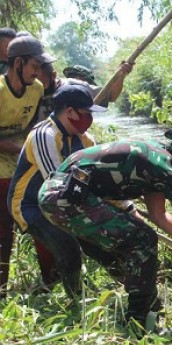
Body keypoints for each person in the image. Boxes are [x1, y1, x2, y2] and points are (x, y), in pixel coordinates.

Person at [36, 119, 172, 331]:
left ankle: (145, 309)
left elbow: (159, 216)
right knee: (144, 239)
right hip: (68, 198)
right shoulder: (168, 172)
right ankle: (139, 323)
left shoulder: (158, 158)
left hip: (59, 195)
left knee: (124, 253)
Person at [8, 84, 104, 288]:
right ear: (70, 112)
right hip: (29, 204)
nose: (90, 119)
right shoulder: (44, 135)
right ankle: (75, 301)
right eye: (86, 113)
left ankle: (69, 287)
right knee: (67, 245)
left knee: (100, 240)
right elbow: (57, 183)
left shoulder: (86, 140)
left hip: (64, 200)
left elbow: (97, 176)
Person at [0, 35, 52, 298]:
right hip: (2, 164)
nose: (38, 72)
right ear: (18, 63)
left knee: (39, 218)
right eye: (34, 65)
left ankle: (50, 283)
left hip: (24, 161)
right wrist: (13, 147)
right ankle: (1, 289)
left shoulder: (37, 89)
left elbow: (35, 127)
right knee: (3, 229)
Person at [63, 63, 132, 106]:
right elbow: (112, 96)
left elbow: (111, 96)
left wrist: (121, 74)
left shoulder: (86, 92)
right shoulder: (65, 84)